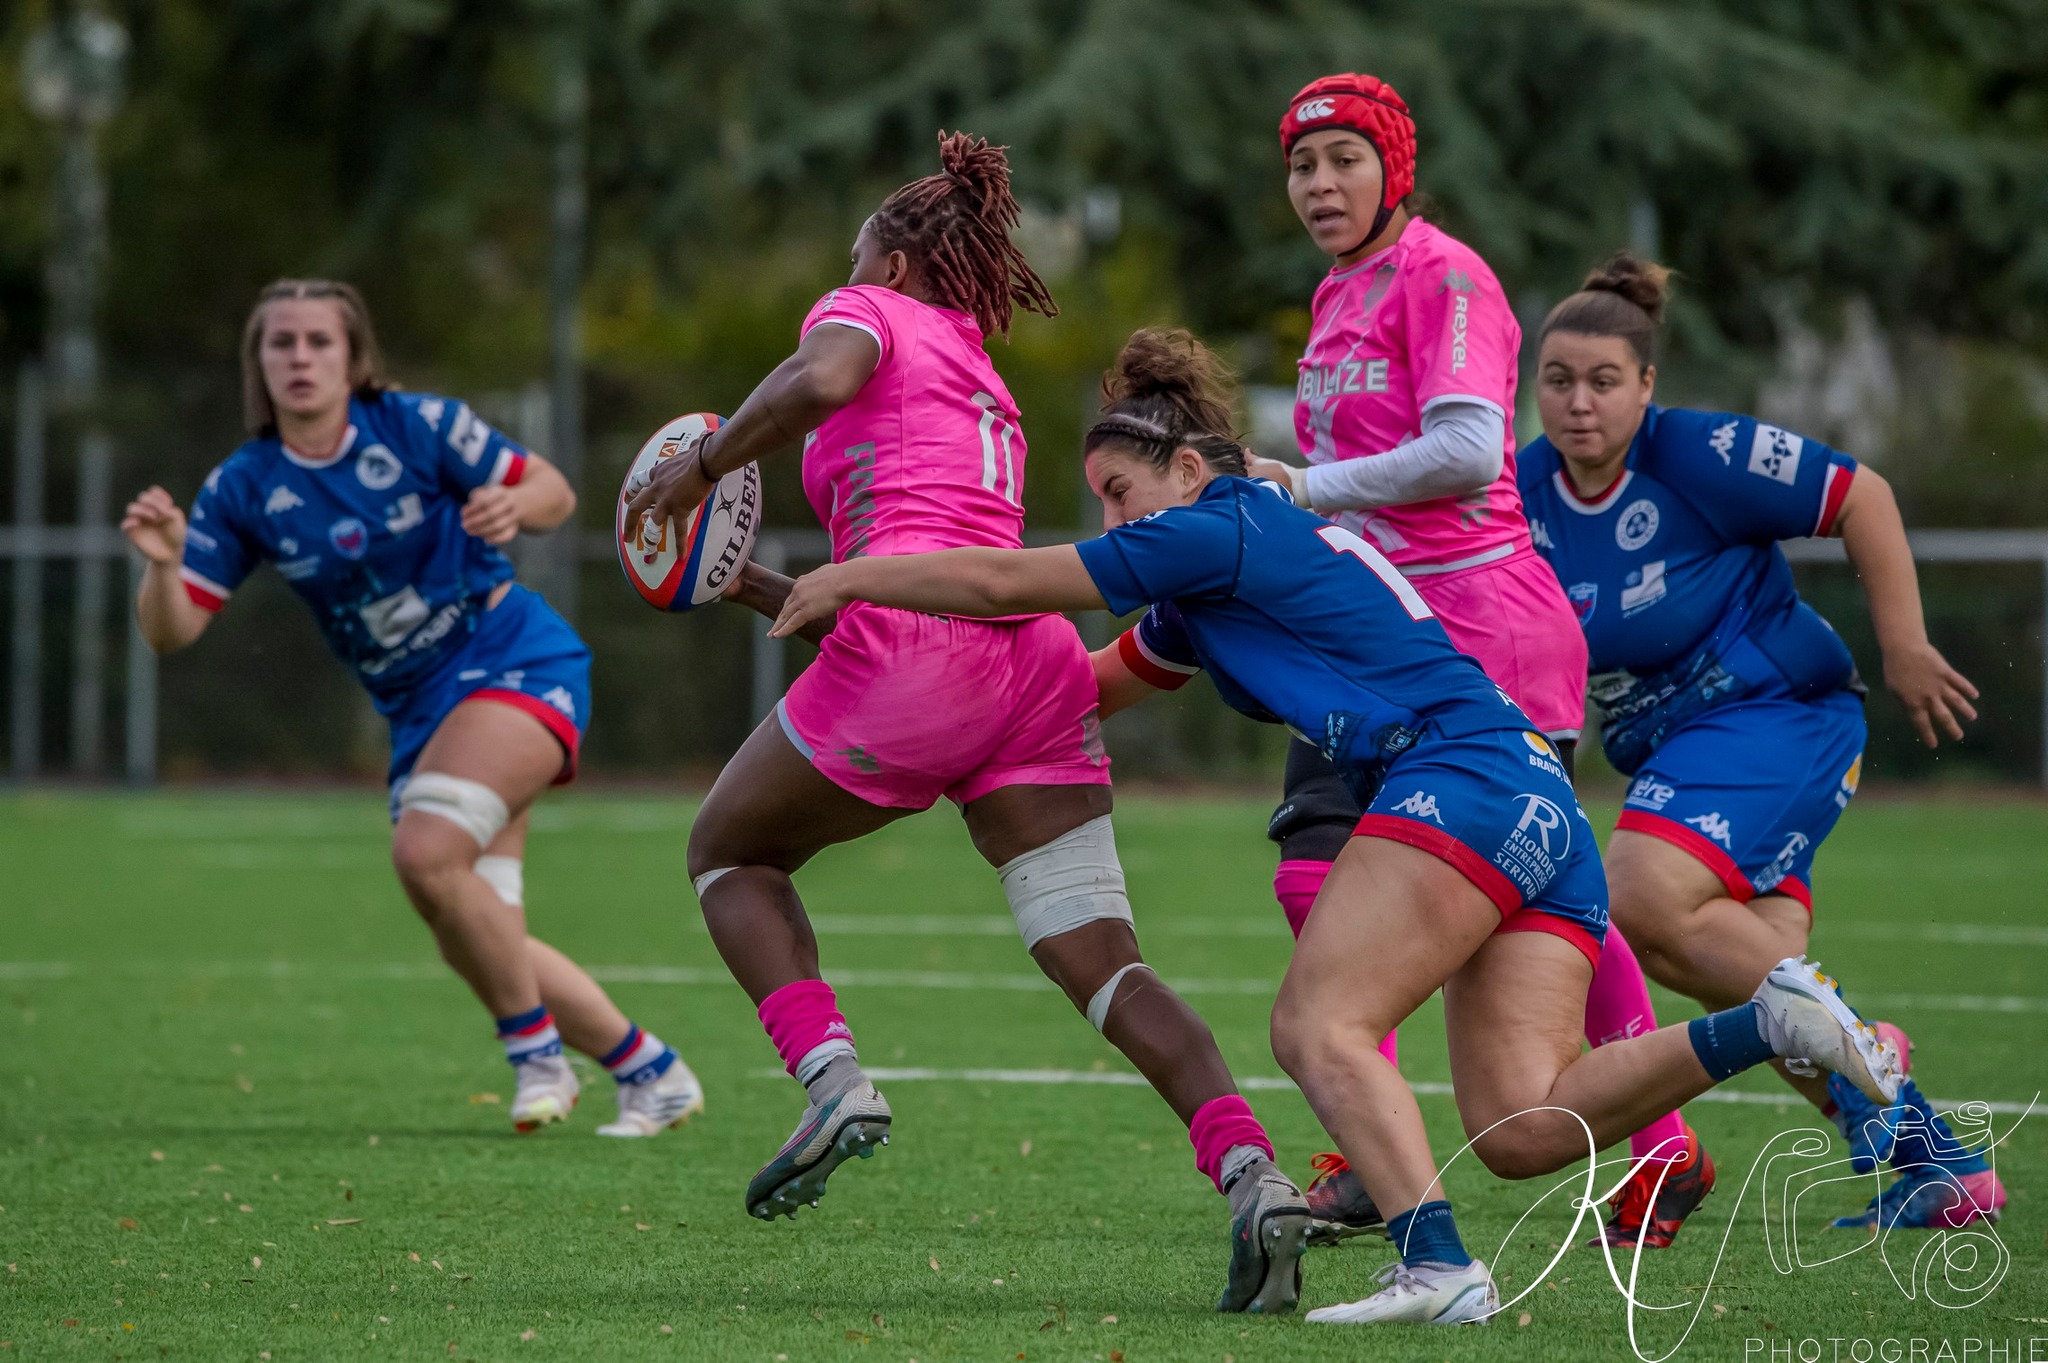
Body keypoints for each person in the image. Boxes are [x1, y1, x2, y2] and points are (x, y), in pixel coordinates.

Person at [766, 327, 1904, 1325]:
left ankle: (1436, 1263)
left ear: (1189, 468)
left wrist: (856, 576)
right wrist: (876, 658)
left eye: (1119, 490)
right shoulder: (1221, 568)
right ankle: (1772, 1020)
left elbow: (1011, 584)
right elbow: (1082, 684)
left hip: (1456, 774)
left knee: (1316, 1024)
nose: (1111, 518)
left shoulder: (1214, 526)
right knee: (1521, 1122)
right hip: (1530, 789)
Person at [622, 136, 1310, 1314]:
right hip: (1025, 666)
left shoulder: (866, 315)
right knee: (1107, 966)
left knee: (728, 854)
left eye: (856, 258)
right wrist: (733, 576)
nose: (843, 280)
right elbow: (902, 561)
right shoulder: (978, 369)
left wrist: (704, 466)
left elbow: (819, 385)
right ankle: (1252, 1172)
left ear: (891, 263)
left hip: (915, 657)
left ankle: (831, 1078)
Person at [1242, 72, 1705, 1250]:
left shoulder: (1441, 274)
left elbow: (1462, 449)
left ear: (1392, 168)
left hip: (1484, 633)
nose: (1318, 184)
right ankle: (1371, 1133)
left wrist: (1301, 489)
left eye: (1343, 158)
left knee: (1529, 891)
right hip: (1379, 642)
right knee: (1312, 864)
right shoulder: (1333, 292)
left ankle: (1657, 1142)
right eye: (1300, 165)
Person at [121, 279, 703, 1139]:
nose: (300, 357)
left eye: (319, 340)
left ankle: (537, 1055)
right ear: (259, 363)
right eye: (281, 342)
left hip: (512, 657)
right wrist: (164, 563)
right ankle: (650, 1072)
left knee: (426, 853)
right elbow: (170, 632)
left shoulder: (418, 424)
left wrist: (515, 504)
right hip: (420, 711)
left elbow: (554, 492)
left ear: (354, 357)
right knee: (476, 926)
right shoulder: (244, 485)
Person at [1519, 253, 2006, 1231]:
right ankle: (1937, 1163)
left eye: (1603, 380)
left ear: (1646, 385)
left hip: (1781, 715)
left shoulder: (1698, 453)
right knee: (1734, 971)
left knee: (1636, 899)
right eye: (1557, 380)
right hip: (1678, 754)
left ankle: (1857, 1047)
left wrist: (1905, 646)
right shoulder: (1518, 488)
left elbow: (1861, 494)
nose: (1578, 402)